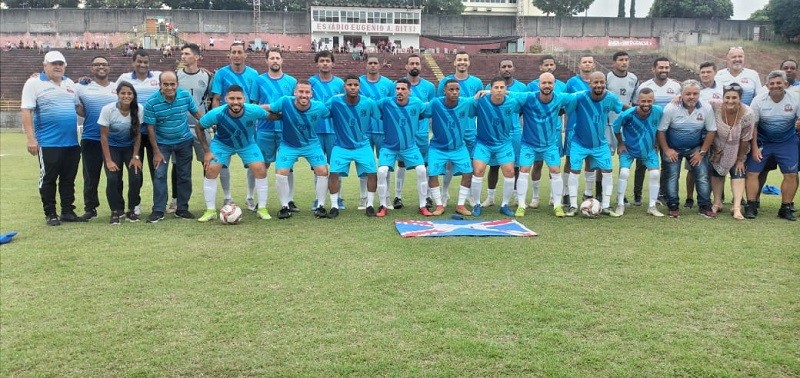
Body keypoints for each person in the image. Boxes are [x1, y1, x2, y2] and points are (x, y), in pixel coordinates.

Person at [21, 51, 86, 226]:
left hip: (72, 142)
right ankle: (50, 213)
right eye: (53, 63)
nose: (57, 67)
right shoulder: (34, 83)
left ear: (65, 66)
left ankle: (67, 211)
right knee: (48, 179)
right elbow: (26, 111)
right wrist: (31, 139)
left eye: (60, 64)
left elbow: (78, 108)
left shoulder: (69, 83)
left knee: (68, 179)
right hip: (48, 142)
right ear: (45, 65)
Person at [195, 85, 271, 222]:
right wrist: (206, 151)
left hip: (247, 144)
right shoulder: (217, 113)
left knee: (260, 169)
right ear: (225, 99)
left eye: (239, 98)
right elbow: (199, 127)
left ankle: (262, 209)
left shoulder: (253, 110)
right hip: (222, 144)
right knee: (211, 170)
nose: (235, 102)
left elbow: (273, 115)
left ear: (244, 99)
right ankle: (210, 210)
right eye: (232, 98)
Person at [262, 81, 331, 220]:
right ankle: (285, 207)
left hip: (311, 144)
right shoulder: (285, 102)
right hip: (289, 144)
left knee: (323, 171)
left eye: (307, 92)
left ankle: (321, 206)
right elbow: (267, 107)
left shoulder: (319, 107)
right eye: (301, 92)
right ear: (295, 93)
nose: (304, 95)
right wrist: (248, 108)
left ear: (311, 94)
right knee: (281, 172)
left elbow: (332, 113)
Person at [143, 71, 202, 223]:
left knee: (184, 175)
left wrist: (211, 122)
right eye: (165, 84)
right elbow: (150, 128)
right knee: (160, 175)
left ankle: (182, 209)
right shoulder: (151, 103)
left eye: (172, 84)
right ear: (160, 84)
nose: (169, 87)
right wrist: (156, 151)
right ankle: (158, 210)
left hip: (184, 142)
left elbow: (197, 114)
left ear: (177, 84)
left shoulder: (185, 96)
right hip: (162, 144)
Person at [565, 72, 625, 217]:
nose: (599, 85)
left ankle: (605, 205)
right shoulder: (579, 96)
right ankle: (573, 206)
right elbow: (564, 105)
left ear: (605, 82)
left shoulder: (610, 97)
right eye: (595, 82)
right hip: (579, 142)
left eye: (601, 82)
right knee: (574, 171)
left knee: (607, 172)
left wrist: (638, 109)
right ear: (589, 84)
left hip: (600, 144)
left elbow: (621, 107)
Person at [515, 73, 575, 218]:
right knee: (524, 170)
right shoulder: (529, 97)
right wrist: (489, 91)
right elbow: (510, 94)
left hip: (549, 145)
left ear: (554, 84)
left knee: (555, 171)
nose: (547, 86)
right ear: (538, 84)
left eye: (550, 83)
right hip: (529, 144)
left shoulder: (559, 97)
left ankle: (557, 205)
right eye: (544, 83)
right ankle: (522, 205)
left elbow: (578, 96)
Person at [657, 79, 717, 218]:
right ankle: (673, 206)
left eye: (695, 94)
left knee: (702, 176)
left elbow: (711, 131)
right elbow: (661, 131)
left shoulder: (706, 108)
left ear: (699, 94)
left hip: (695, 149)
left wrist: (701, 152)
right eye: (688, 93)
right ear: (681, 94)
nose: (692, 97)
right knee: (672, 176)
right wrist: (666, 150)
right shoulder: (671, 108)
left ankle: (705, 206)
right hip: (673, 148)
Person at [174, 43, 223, 214]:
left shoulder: (208, 77)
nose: (183, 56)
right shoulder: (176, 76)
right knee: (179, 166)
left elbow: (213, 99)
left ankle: (209, 202)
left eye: (187, 53)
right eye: (182, 53)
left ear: (196, 57)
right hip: (180, 126)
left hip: (201, 126)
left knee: (207, 162)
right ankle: (175, 201)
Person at [249, 48, 298, 216]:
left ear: (282, 60)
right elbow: (254, 105)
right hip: (264, 129)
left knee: (288, 166)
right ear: (267, 61)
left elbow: (294, 105)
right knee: (262, 166)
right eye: (272, 58)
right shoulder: (259, 80)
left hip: (286, 130)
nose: (275, 61)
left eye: (278, 58)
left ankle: (289, 200)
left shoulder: (292, 81)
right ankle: (259, 201)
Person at [744, 71, 799, 221]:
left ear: (785, 84)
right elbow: (753, 127)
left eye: (779, 83)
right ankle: (751, 205)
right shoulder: (758, 100)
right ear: (767, 85)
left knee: (791, 174)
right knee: (752, 173)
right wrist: (754, 148)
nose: (775, 86)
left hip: (787, 141)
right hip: (763, 141)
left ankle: (785, 207)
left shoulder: (795, 99)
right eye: (772, 83)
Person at [325, 75, 380, 217]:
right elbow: (321, 112)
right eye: (350, 85)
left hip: (362, 146)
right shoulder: (334, 101)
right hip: (341, 146)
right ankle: (334, 206)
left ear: (359, 87)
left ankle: (369, 204)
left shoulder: (368, 102)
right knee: (334, 174)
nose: (353, 87)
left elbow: (381, 116)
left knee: (372, 173)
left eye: (356, 85)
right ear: (344, 87)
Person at [470, 77, 525, 218]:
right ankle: (476, 204)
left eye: (502, 87)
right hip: (483, 143)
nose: (499, 90)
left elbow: (526, 98)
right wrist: (476, 96)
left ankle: (504, 205)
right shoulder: (482, 101)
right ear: (491, 88)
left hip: (504, 143)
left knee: (509, 172)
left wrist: (492, 91)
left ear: (506, 89)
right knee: (478, 171)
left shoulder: (512, 103)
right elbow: (468, 107)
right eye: (496, 87)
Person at [374, 78, 429, 217]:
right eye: (397, 89)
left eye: (403, 89)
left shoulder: (417, 103)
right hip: (389, 147)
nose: (400, 91)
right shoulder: (386, 102)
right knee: (382, 171)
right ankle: (383, 205)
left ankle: (423, 205)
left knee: (422, 170)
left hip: (409, 147)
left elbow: (429, 110)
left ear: (409, 91)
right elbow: (371, 106)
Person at [115, 50, 161, 216]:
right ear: (133, 62)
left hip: (156, 133)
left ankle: (159, 205)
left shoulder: (158, 77)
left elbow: (175, 79)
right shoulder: (124, 78)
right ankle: (135, 205)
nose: (143, 65)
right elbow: (113, 95)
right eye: (139, 62)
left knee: (158, 171)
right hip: (134, 134)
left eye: (145, 62)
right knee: (136, 172)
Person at [422, 79, 475, 216]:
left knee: (468, 172)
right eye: (451, 89)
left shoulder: (466, 103)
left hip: (459, 147)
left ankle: (460, 205)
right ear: (444, 91)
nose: (455, 92)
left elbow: (479, 97)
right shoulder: (435, 103)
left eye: (457, 89)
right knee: (432, 174)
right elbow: (422, 113)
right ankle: (439, 205)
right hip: (437, 148)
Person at [635, 57, 682, 207]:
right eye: (661, 67)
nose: (664, 70)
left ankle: (662, 194)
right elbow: (639, 107)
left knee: (667, 162)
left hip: (668, 131)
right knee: (642, 162)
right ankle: (637, 195)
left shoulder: (676, 87)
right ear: (653, 69)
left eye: (666, 67)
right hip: (648, 130)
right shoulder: (645, 86)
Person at [76, 55, 118, 221]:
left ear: (109, 67)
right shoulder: (81, 87)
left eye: (104, 64)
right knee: (90, 176)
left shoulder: (117, 87)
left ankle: (117, 208)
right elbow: (78, 108)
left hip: (113, 140)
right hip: (91, 138)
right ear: (91, 68)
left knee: (114, 177)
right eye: (97, 65)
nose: (101, 67)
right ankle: (90, 208)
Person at [612, 88, 664, 217]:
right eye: (643, 101)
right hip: (629, 149)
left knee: (655, 174)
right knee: (624, 173)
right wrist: (621, 143)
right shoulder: (627, 114)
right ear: (637, 101)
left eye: (649, 101)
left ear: (654, 101)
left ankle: (652, 206)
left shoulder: (658, 111)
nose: (646, 104)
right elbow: (616, 128)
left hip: (648, 149)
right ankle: (620, 204)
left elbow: (662, 127)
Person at [481, 59, 526, 209]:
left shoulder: (521, 87)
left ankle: (515, 195)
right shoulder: (490, 87)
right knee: (493, 166)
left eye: (509, 66)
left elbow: (522, 107)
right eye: (503, 67)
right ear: (499, 69)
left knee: (516, 166)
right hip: (495, 133)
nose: (507, 69)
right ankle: (491, 197)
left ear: (514, 68)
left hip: (514, 131)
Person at [707, 83, 755, 220]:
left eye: (734, 98)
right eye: (727, 97)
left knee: (738, 173)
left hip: (738, 147)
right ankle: (717, 203)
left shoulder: (748, 113)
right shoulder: (715, 105)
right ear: (723, 97)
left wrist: (740, 159)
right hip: (718, 147)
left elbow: (746, 138)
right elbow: (696, 100)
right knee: (717, 173)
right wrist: (679, 97)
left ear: (740, 98)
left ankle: (737, 207)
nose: (730, 101)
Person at [98, 81, 144, 224]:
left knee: (136, 177)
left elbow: (137, 135)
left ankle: (131, 210)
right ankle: (116, 211)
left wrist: (136, 156)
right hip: (112, 148)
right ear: (117, 94)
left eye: (129, 93)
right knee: (113, 179)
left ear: (133, 95)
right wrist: (108, 160)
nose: (126, 96)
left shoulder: (139, 109)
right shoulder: (108, 109)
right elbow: (104, 136)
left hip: (130, 148)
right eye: (123, 93)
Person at [526, 54, 567, 208]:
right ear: (540, 67)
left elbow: (564, 106)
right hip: (534, 134)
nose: (549, 67)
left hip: (554, 131)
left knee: (553, 165)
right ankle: (535, 197)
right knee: (536, 164)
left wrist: (552, 113)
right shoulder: (531, 86)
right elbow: (526, 106)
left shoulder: (563, 86)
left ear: (555, 66)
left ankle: (552, 197)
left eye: (552, 64)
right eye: (546, 65)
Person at [399, 54, 437, 207]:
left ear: (421, 67)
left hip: (422, 133)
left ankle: (426, 196)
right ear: (406, 66)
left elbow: (431, 110)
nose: (414, 66)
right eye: (411, 63)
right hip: (404, 133)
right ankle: (397, 196)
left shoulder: (429, 87)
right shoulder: (399, 85)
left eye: (417, 63)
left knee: (425, 165)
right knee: (401, 163)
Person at [359, 56, 396, 207]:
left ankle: (385, 196)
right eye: (370, 63)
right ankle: (363, 198)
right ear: (365, 65)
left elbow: (393, 106)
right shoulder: (358, 83)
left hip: (383, 130)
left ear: (380, 65)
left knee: (384, 165)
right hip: (363, 131)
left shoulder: (388, 84)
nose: (373, 66)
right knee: (364, 164)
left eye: (375, 63)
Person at [309, 50, 344, 210]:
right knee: (318, 168)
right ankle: (318, 199)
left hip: (335, 132)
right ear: (317, 63)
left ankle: (339, 198)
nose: (324, 63)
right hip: (315, 131)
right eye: (321, 60)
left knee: (336, 167)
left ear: (332, 63)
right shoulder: (311, 83)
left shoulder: (339, 84)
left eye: (327, 60)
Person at [605, 51, 639, 206]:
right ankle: (601, 193)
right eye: (620, 60)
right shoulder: (607, 78)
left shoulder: (634, 79)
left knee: (623, 159)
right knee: (603, 161)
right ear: (614, 62)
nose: (624, 62)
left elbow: (635, 102)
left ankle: (621, 195)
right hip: (607, 124)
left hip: (626, 126)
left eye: (626, 59)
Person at [563, 55, 596, 204]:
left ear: (593, 65)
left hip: (592, 127)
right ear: (580, 65)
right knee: (570, 159)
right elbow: (566, 103)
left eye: (590, 62)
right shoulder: (571, 83)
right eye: (584, 62)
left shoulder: (598, 82)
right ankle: (566, 192)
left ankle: (588, 193)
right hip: (573, 127)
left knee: (590, 159)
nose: (587, 64)